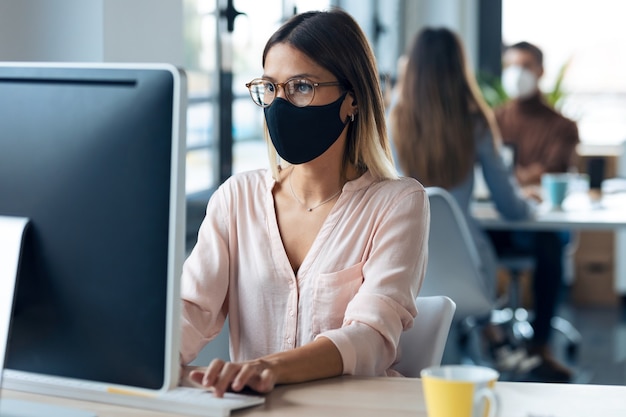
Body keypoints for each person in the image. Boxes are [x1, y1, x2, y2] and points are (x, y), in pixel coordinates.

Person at [179, 9, 429, 397]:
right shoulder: (236, 199)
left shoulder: (397, 203)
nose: (280, 104)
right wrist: (139, 362)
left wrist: (267, 368)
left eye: (301, 87)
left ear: (353, 100)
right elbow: (191, 309)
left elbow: (370, 337)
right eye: (270, 88)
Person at [388, 27, 538, 373]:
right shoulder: (476, 122)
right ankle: (494, 337)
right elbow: (509, 205)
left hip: (401, 261)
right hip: (468, 268)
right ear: (460, 68)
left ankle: (487, 339)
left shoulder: (391, 120)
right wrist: (532, 204)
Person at [488, 41, 581, 382]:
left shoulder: (562, 126)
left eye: (525, 65)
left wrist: (507, 175)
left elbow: (552, 169)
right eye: (511, 65)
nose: (517, 73)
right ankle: (488, 335)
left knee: (550, 246)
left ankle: (540, 345)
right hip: (497, 224)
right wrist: (523, 176)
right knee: (468, 240)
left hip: (536, 229)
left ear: (540, 71)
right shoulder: (491, 120)